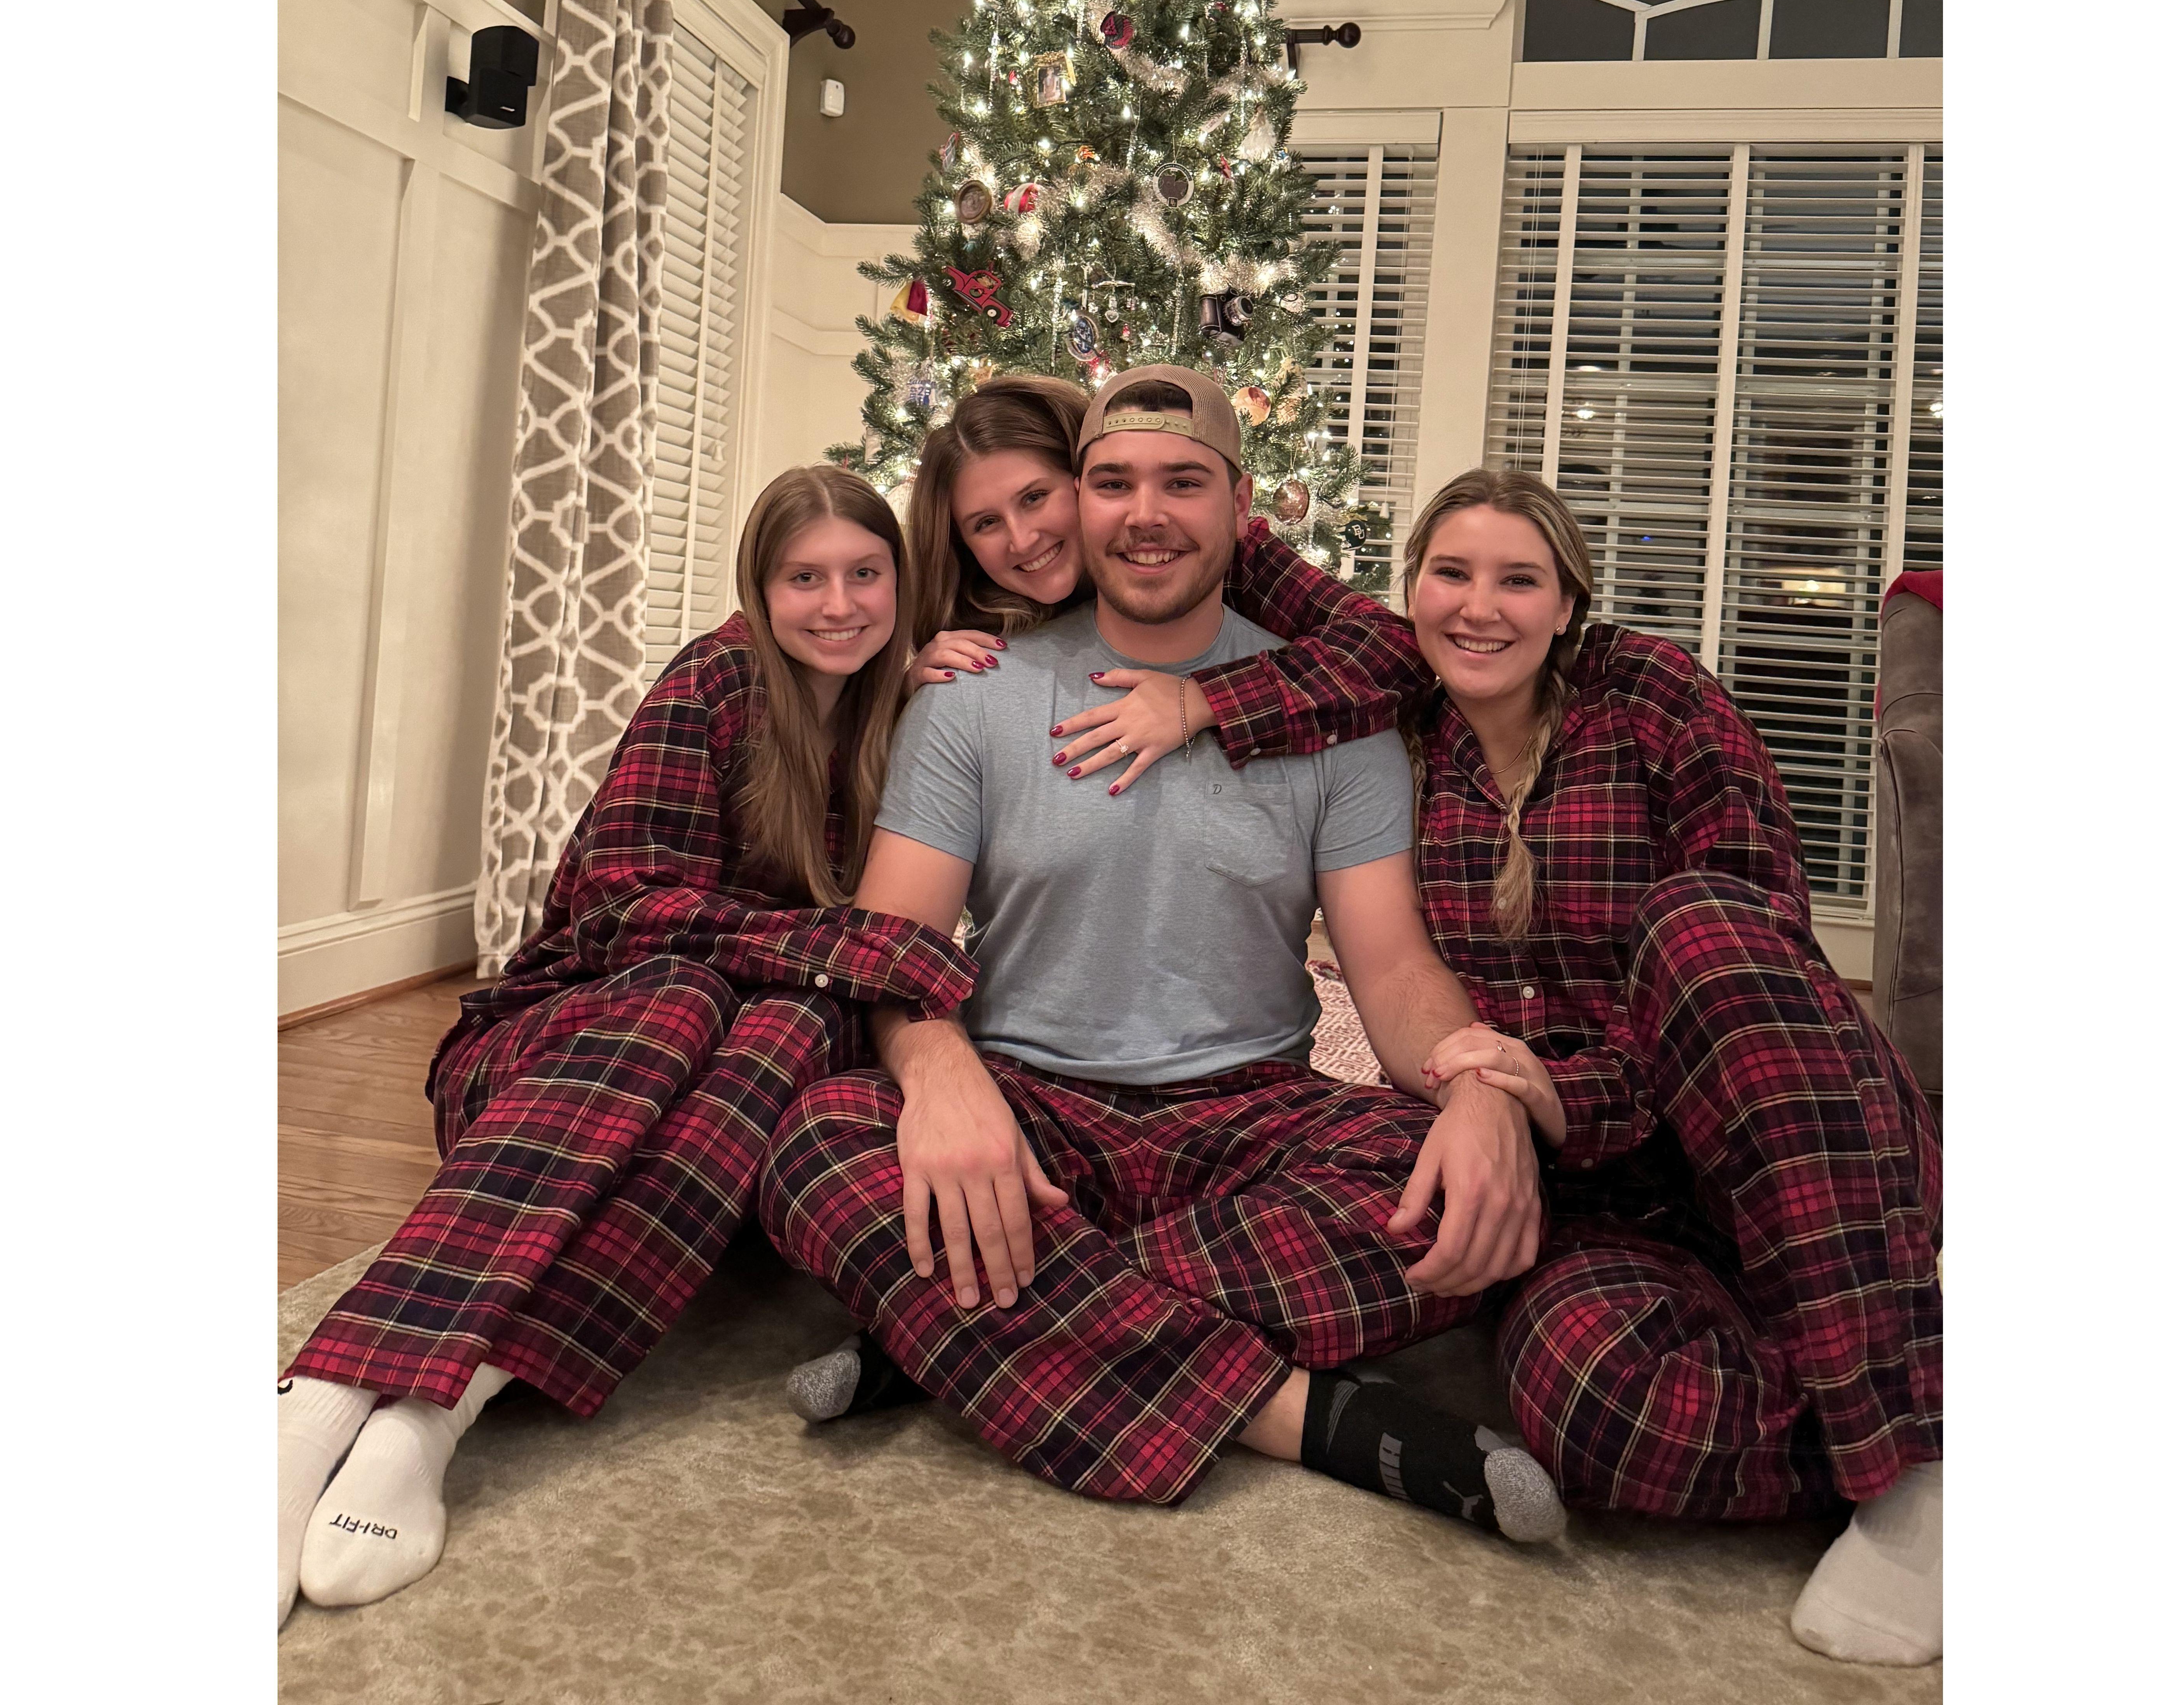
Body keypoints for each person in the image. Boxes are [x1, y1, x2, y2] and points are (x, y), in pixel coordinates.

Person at [1049, 465, 1944, 1666]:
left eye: (1519, 580)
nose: (1481, 608)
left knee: (1700, 926)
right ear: (1410, 596)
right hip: (1594, 1197)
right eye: (1450, 575)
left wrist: (1548, 1092)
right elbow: (1215, 542)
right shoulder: (1393, 730)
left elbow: (1761, 958)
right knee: (1591, 1405)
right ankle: (1905, 1362)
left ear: (1568, 602)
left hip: (1772, 1125)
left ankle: (1923, 1471)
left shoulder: (1653, 695)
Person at [758, 368, 1569, 1542]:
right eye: (1113, 483)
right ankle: (1312, 1419)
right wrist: (939, 1079)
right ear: (1078, 505)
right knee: (821, 1142)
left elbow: (1388, 970)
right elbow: (893, 949)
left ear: (1241, 505)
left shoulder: (1332, 717)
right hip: (1028, 1109)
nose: (1147, 514)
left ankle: (948, 1333)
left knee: (1449, 1196)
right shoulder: (975, 696)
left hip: (1247, 1116)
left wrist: (1479, 1083)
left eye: (1184, 483)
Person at [276, 467, 982, 1628]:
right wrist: (840, 945)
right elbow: (615, 901)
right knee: (689, 986)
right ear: (759, 588)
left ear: (903, 587)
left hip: (714, 1107)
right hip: (563, 1059)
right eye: (806, 578)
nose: (840, 604)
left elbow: (844, 964)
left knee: (798, 1017)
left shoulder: (901, 712)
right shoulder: (715, 680)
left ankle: (427, 1414)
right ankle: (321, 1394)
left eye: (867, 576)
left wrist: (831, 962)